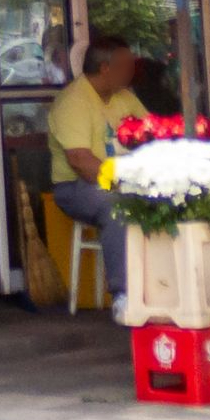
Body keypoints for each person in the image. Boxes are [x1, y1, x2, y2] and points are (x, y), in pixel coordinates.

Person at [47, 36, 148, 318]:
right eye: (127, 66)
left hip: (126, 181)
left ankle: (164, 288)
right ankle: (125, 297)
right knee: (118, 206)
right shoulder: (74, 101)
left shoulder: (125, 97)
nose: (133, 71)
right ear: (105, 68)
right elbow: (80, 161)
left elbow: (154, 134)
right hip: (77, 186)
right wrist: (125, 183)